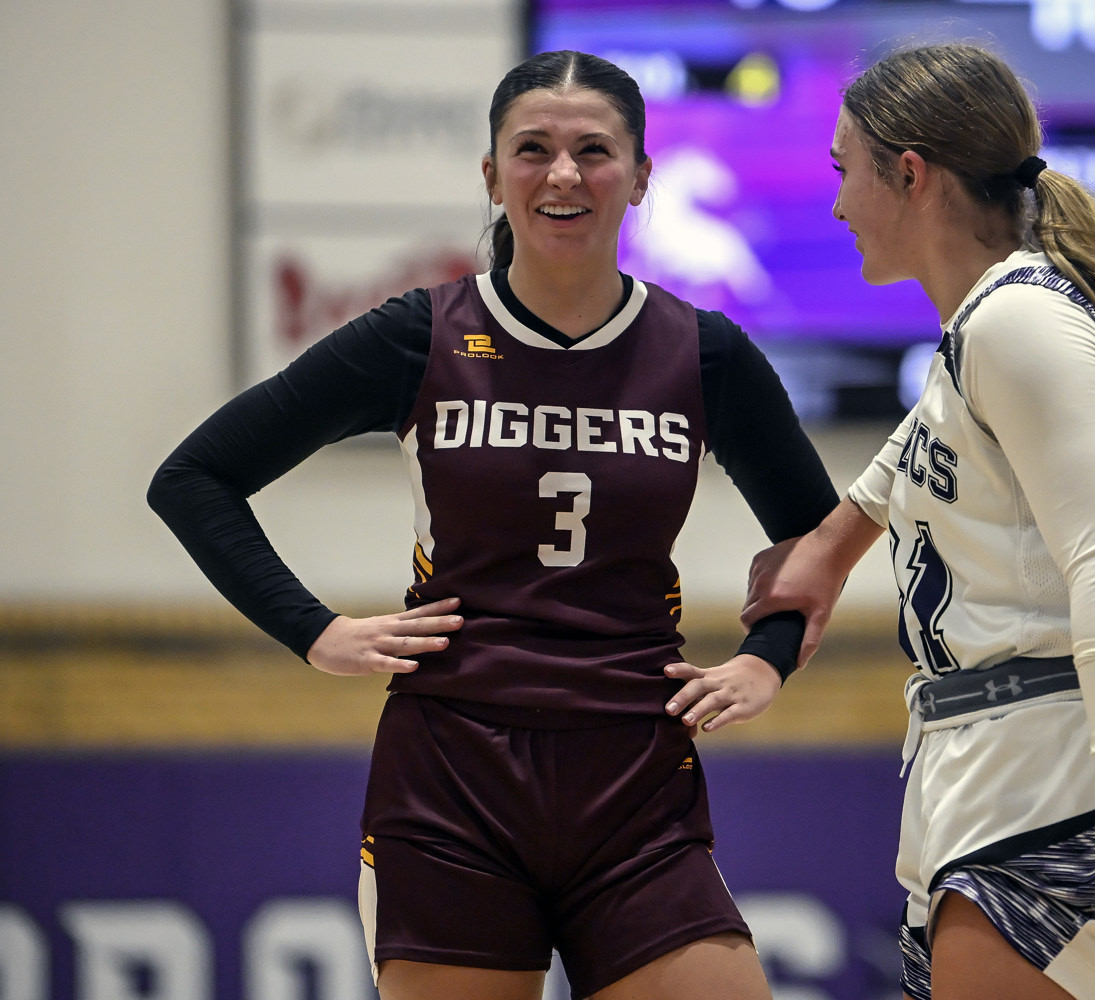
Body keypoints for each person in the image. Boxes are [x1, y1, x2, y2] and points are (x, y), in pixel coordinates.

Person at [148, 49, 839, 1000]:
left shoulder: (703, 353)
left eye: (595, 150)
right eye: (534, 150)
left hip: (635, 775)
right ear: (491, 175)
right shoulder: (419, 335)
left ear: (640, 177)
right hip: (452, 779)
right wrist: (315, 632)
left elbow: (815, 535)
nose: (564, 174)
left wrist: (766, 651)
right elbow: (195, 477)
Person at [723, 41, 1095, 1000]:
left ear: (910, 174)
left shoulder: (1019, 324)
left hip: (1050, 779)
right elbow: (912, 452)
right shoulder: (983, 328)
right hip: (986, 770)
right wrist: (832, 548)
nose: (837, 204)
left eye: (846, 172)